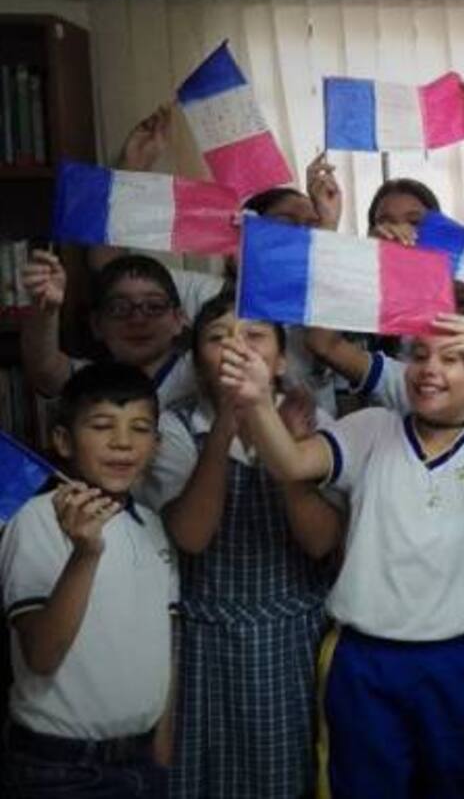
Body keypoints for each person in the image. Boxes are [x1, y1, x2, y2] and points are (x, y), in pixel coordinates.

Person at [218, 313, 464, 798]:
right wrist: (257, 402)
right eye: (418, 354)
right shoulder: (373, 428)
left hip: (457, 659)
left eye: (454, 358)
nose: (429, 368)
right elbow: (291, 463)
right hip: (365, 659)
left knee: (457, 784)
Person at [138, 292, 345, 799]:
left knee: (288, 776)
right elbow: (191, 536)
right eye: (217, 338)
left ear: (279, 359)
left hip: (292, 636)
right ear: (196, 359)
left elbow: (321, 543)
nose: (236, 348)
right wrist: (231, 420)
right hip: (205, 639)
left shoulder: (317, 425)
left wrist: (285, 452)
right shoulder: (175, 427)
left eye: (253, 336)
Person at [0, 363, 177, 798]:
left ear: (155, 445)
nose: (122, 442)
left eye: (139, 429)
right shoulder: (37, 520)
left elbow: (168, 642)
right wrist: (85, 553)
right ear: (63, 440)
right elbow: (41, 653)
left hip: (141, 760)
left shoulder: (153, 526)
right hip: (59, 767)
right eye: (102, 426)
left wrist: (163, 745)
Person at [21, 253, 195, 406]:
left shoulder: (199, 372)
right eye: (119, 308)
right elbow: (45, 369)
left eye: (154, 307)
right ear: (96, 325)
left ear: (179, 320)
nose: (138, 319)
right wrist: (45, 310)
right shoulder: (92, 378)